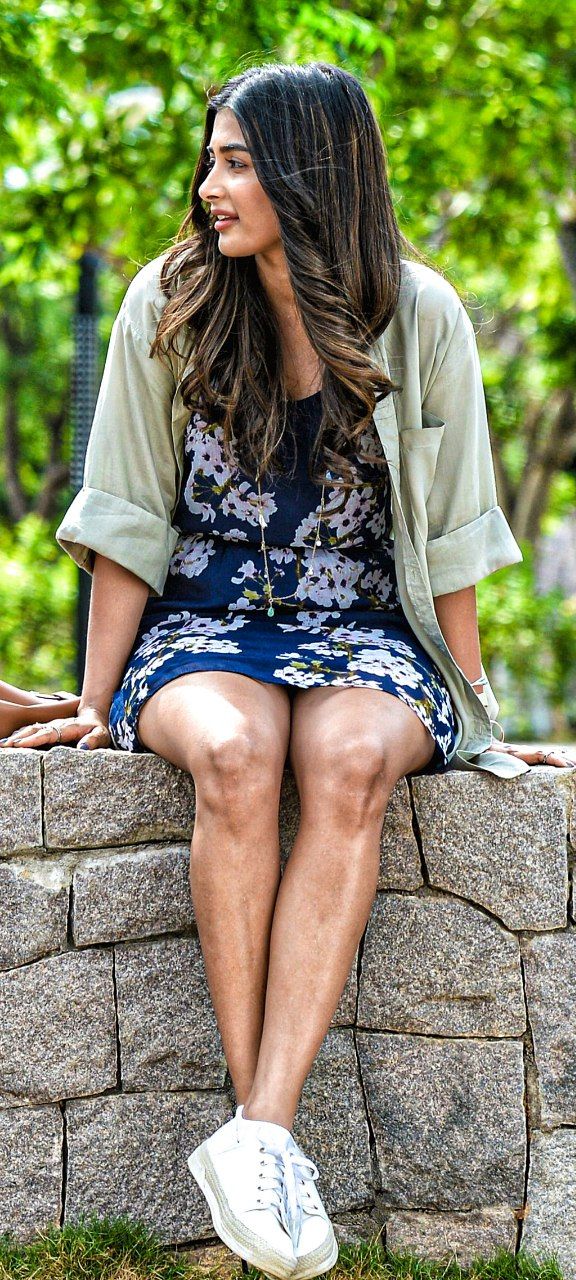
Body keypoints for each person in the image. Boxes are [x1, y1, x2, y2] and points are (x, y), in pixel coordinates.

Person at [2, 60, 575, 1279]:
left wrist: (475, 714)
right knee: (235, 748)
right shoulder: (165, 302)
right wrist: (97, 699)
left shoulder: (420, 316)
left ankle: (260, 1130)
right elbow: (124, 525)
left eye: (239, 161)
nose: (212, 184)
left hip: (371, 632)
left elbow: (461, 537)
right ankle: (265, 1139)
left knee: (351, 754)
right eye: (211, 159)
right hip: (206, 625)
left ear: (313, 173)